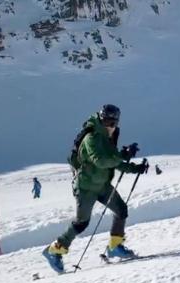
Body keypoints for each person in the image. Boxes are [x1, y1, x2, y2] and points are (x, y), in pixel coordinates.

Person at [42, 104, 148, 273]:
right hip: (86, 188)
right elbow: (101, 161)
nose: (109, 125)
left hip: (103, 184)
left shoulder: (108, 136)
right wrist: (122, 156)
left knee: (121, 210)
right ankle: (54, 250)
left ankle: (115, 246)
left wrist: (134, 167)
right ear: (100, 118)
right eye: (106, 121)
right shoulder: (91, 137)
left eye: (112, 122)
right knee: (81, 223)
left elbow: (113, 160)